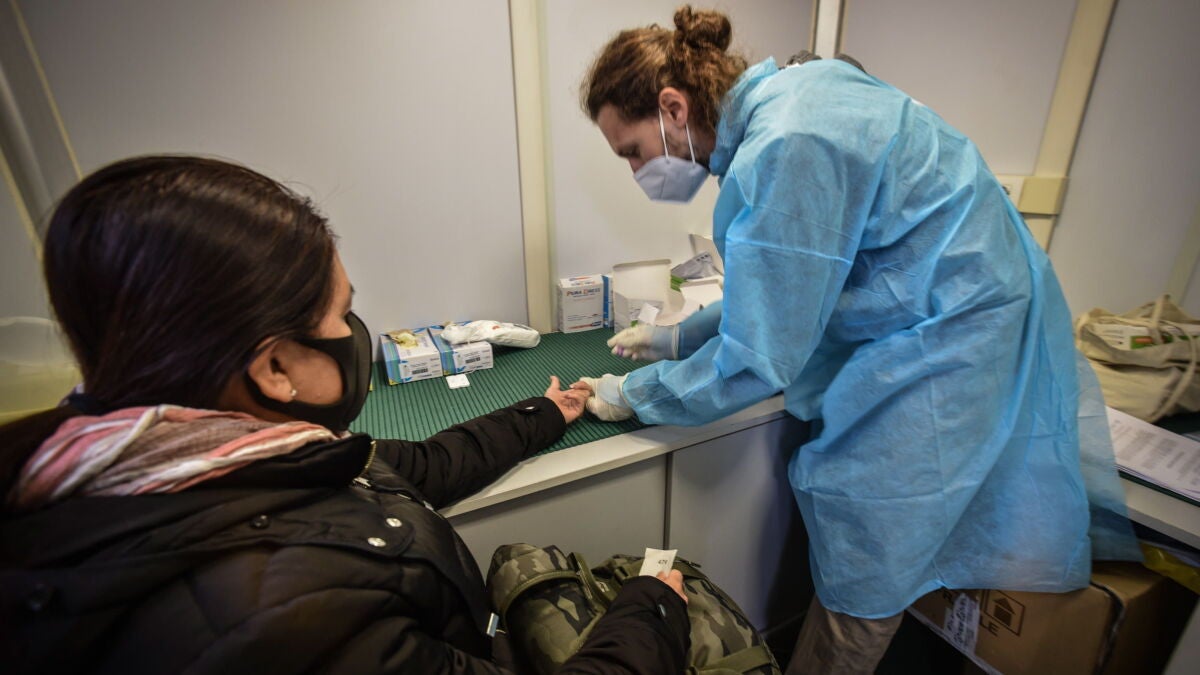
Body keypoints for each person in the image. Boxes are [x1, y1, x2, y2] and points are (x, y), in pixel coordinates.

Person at [573, 6, 1135, 674]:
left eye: (632, 151)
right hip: (959, 305)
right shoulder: (795, 100)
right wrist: (679, 336)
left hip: (951, 337)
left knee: (871, 542)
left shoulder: (786, 143)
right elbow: (793, 279)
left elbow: (757, 359)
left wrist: (636, 393)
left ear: (672, 107)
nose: (637, 171)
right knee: (881, 535)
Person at [0, 155, 691, 674]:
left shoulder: (221, 457)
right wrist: (651, 611)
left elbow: (420, 466)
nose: (353, 332)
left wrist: (547, 410)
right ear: (274, 367)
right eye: (339, 314)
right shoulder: (289, 623)